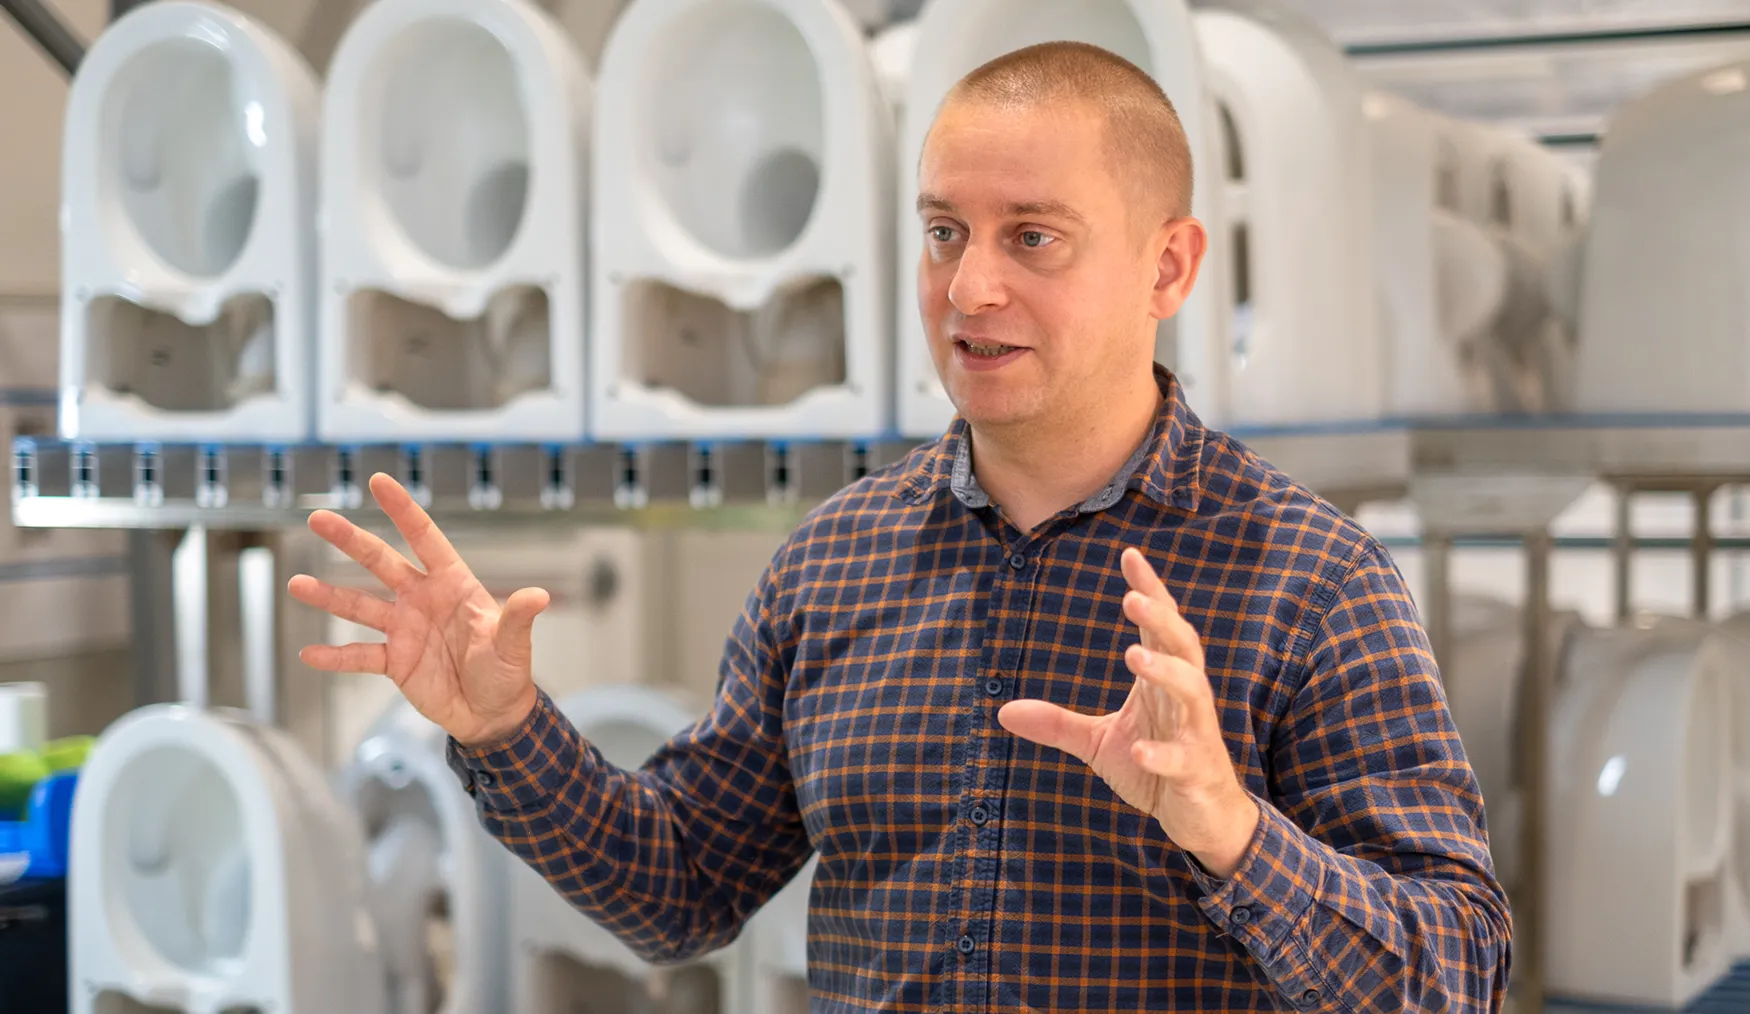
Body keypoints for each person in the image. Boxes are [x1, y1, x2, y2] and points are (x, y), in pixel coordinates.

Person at [290, 40, 1510, 1012]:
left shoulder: (1311, 579)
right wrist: (507, 730)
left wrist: (1233, 835)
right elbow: (682, 888)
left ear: (1169, 268)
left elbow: (1457, 970)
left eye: (1033, 237)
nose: (970, 286)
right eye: (943, 232)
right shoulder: (835, 561)